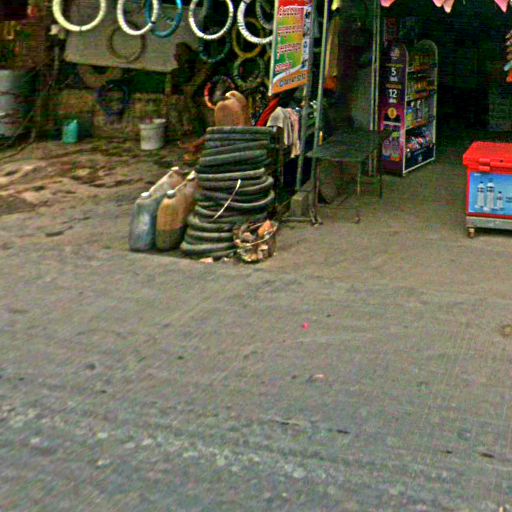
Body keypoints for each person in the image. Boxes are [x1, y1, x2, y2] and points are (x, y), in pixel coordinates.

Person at [167, 42, 212, 140]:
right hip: (185, 103)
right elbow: (169, 93)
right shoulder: (174, 73)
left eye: (182, 55)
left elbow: (201, 77)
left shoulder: (198, 69)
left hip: (198, 100)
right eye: (177, 55)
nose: (179, 58)